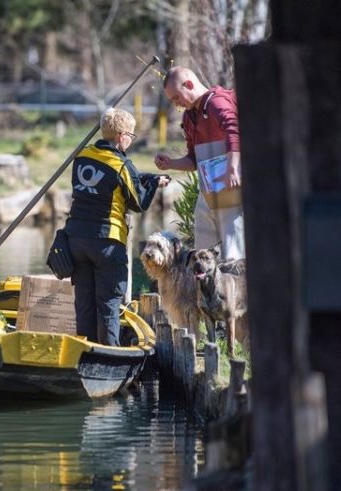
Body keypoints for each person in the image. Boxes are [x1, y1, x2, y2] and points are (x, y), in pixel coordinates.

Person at [64, 108, 170, 346]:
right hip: (106, 241)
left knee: (84, 302)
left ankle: (84, 350)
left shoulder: (82, 155)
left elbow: (106, 180)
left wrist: (145, 178)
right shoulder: (122, 165)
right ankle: (107, 354)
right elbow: (139, 203)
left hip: (76, 239)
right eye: (131, 136)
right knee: (109, 302)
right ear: (122, 136)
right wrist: (153, 184)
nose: (131, 141)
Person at [154, 66, 245, 259]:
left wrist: (232, 168)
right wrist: (171, 163)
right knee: (202, 255)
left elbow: (234, 128)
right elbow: (193, 160)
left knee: (233, 253)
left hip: (230, 189)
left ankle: (236, 287)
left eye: (177, 97)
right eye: (172, 101)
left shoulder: (217, 102)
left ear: (188, 84)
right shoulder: (188, 116)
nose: (176, 104)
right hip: (208, 192)